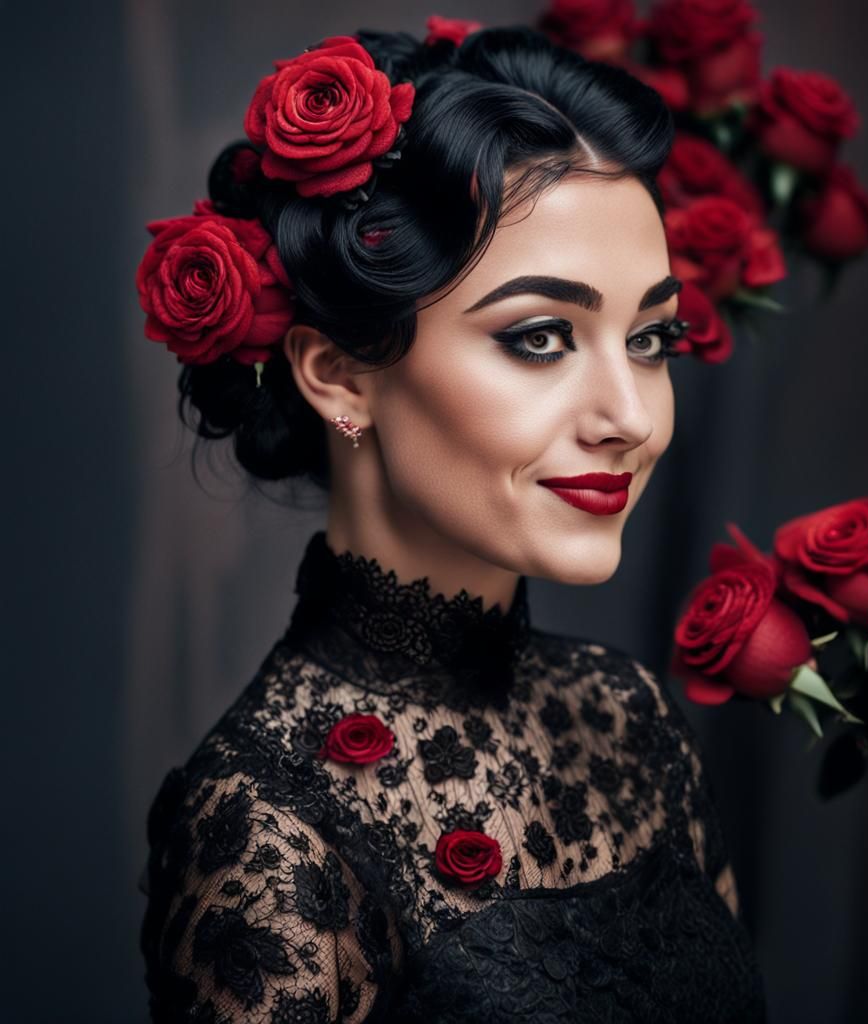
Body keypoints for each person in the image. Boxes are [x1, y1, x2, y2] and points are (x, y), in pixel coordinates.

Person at [137, 19, 766, 1023]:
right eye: (541, 336)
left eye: (651, 338)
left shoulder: (632, 717)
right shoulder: (266, 822)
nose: (630, 417)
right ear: (338, 374)